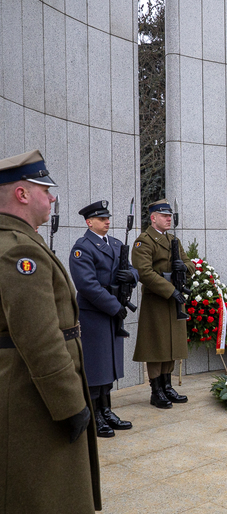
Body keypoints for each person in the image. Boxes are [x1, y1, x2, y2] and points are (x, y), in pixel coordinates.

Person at [0, 150, 101, 511]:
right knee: (48, 494)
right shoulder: (18, 251)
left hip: (28, 388)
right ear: (22, 194)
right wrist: (71, 405)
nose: (53, 197)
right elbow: (39, 338)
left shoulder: (21, 240)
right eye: (45, 189)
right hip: (35, 397)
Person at [70, 200, 138, 438]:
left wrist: (130, 274)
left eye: (107, 218)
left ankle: (107, 409)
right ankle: (95, 414)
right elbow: (86, 285)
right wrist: (114, 306)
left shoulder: (116, 243)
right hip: (95, 314)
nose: (107, 221)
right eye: (101, 219)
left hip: (111, 313)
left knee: (109, 365)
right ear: (89, 222)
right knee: (96, 366)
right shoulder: (83, 247)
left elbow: (132, 268)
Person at [131, 199, 192, 408]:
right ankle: (156, 390)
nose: (169, 219)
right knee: (156, 346)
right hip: (157, 300)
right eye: (164, 215)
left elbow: (189, 262)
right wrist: (170, 290)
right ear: (153, 218)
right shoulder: (144, 241)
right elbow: (144, 272)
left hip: (173, 299)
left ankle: (167, 385)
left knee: (171, 343)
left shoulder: (173, 240)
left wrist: (183, 268)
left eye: (170, 216)